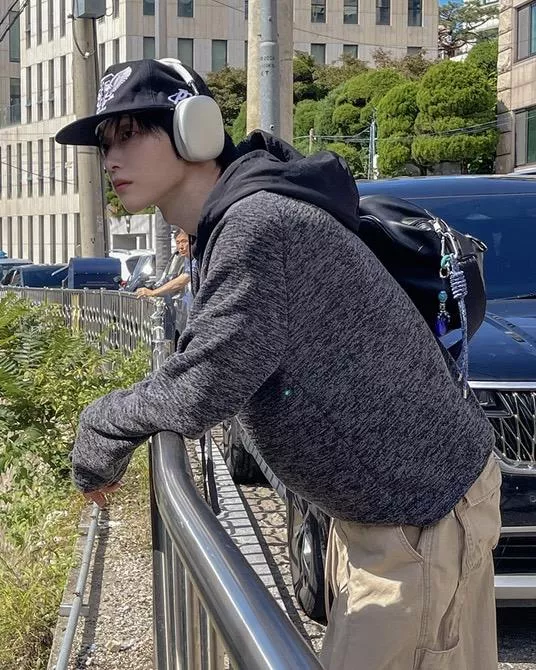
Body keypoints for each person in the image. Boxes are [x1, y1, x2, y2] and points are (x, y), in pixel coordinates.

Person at [56, 58, 501, 670]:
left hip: (420, 518)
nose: (111, 158)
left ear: (194, 129)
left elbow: (205, 383)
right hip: (391, 513)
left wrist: (101, 424)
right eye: (105, 142)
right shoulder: (231, 223)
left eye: (130, 133)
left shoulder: (256, 226)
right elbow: (214, 359)